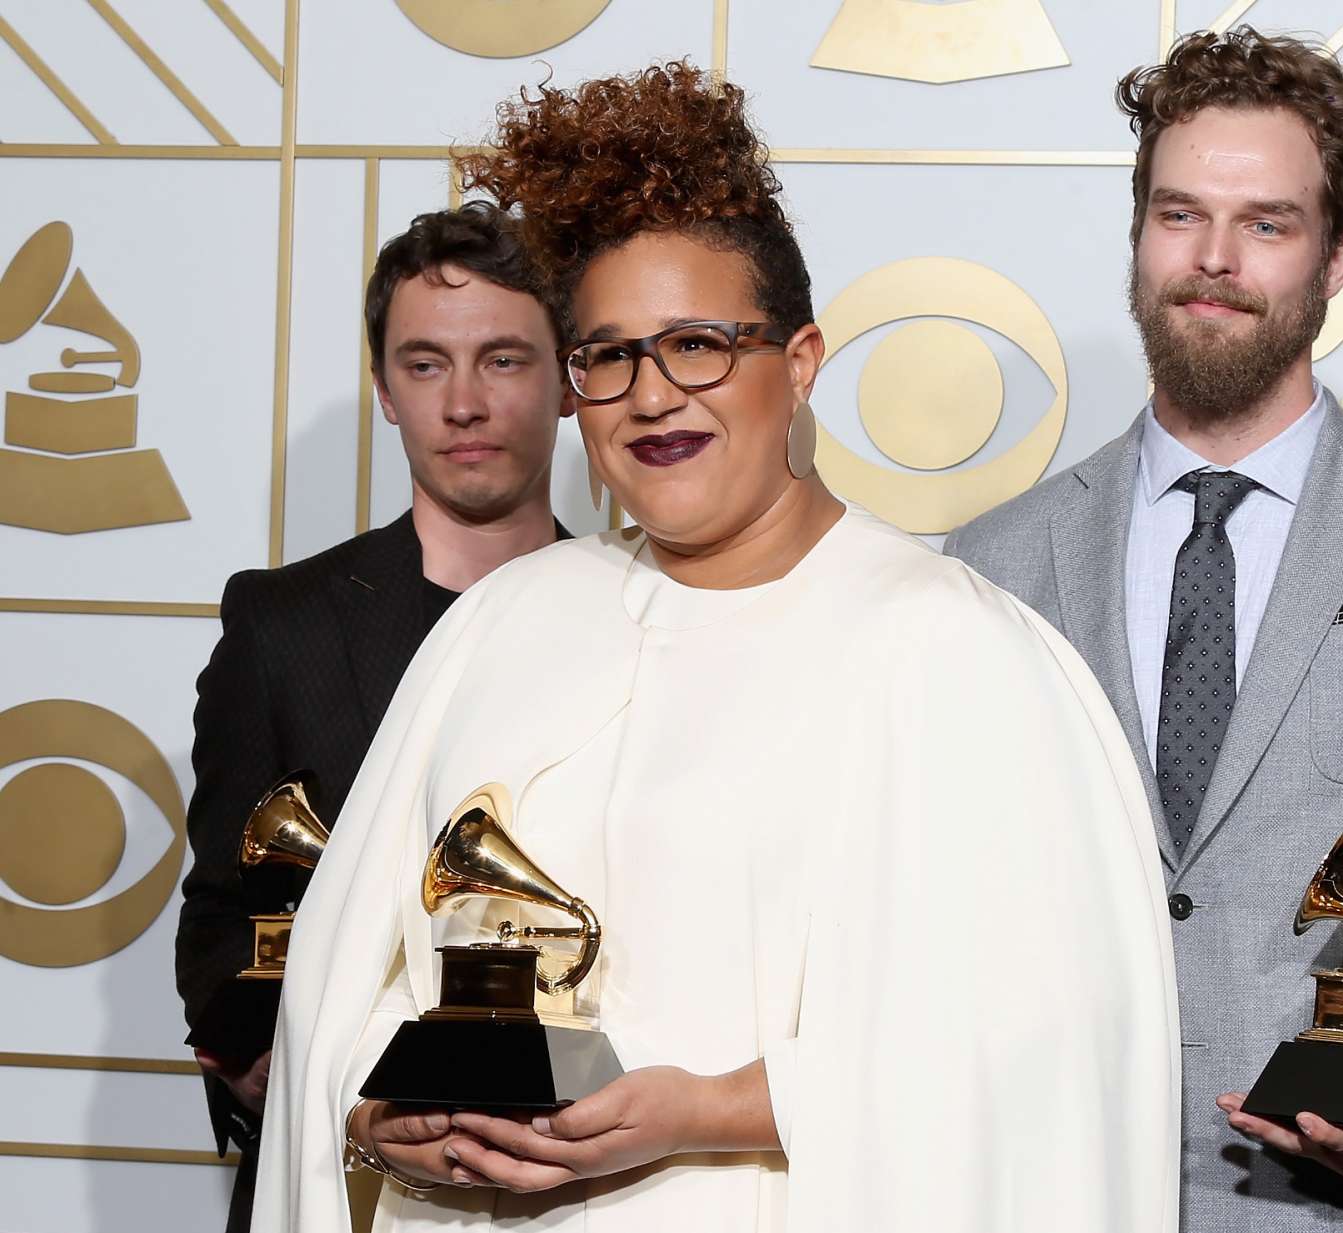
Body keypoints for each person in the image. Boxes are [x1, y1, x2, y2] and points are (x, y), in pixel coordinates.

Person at [251, 61, 1180, 1233]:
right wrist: (366, 1111)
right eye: (608, 355)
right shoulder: (502, 624)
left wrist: (706, 1110)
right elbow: (348, 978)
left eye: (697, 344)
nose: (650, 395)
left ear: (796, 366)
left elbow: (1037, 1048)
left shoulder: (952, 648)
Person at [947, 29, 1343, 1232]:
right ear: (1137, 233)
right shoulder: (994, 566)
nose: (1214, 260)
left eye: (1267, 224)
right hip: (1044, 1191)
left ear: (1338, 257)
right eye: (1179, 214)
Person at [175, 202, 568, 1233]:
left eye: (505, 360)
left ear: (570, 380)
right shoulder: (281, 624)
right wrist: (310, 1089)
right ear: (385, 392)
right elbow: (223, 912)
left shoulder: (648, 616)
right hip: (335, 1181)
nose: (467, 403)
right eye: (427, 364)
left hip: (584, 1174)